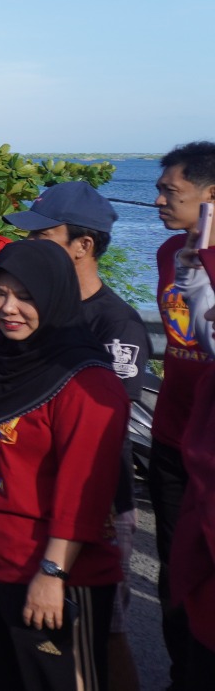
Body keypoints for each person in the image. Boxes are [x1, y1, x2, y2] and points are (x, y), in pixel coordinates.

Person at [0, 240, 127, 691]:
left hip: (51, 571)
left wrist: (52, 573)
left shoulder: (86, 382)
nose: (9, 308)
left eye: (26, 296)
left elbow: (87, 491)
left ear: (56, 295)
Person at [8, 180, 152, 688]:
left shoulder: (117, 324)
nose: (28, 247)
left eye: (41, 235)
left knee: (100, 631)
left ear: (82, 246)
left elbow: (103, 427)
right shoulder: (39, 311)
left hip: (97, 501)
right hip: (33, 492)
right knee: (41, 629)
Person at [148, 140, 215, 689]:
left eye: (171, 191)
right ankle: (180, 673)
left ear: (211, 196)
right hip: (172, 430)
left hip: (212, 441)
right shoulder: (171, 252)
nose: (159, 200)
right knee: (175, 562)